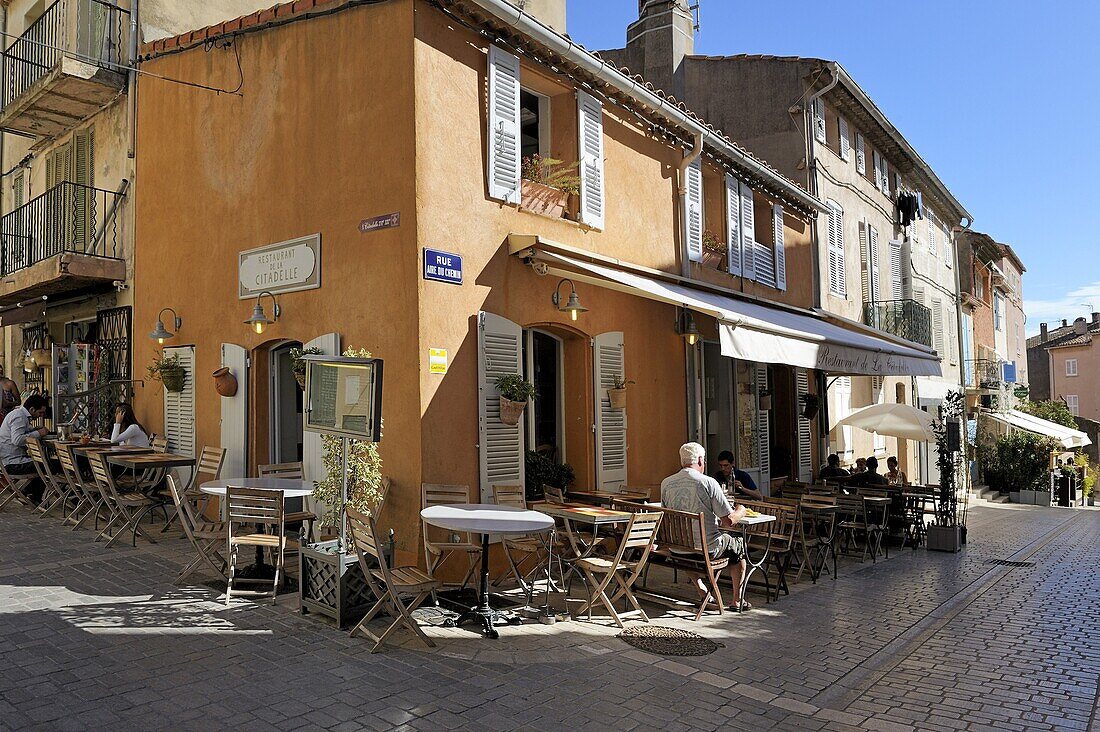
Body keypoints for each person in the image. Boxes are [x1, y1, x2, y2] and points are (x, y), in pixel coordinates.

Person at [662, 442, 752, 610]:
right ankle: (737, 600)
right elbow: (729, 522)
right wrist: (741, 510)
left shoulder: (666, 483)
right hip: (706, 550)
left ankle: (702, 590)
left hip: (678, 548)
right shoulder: (708, 482)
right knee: (738, 543)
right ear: (701, 460)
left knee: (687, 545)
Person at [0, 394, 50, 504]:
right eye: (40, 412)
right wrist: (38, 433)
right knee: (48, 464)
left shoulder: (19, 414)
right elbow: (17, 440)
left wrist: (33, 430)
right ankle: (34, 496)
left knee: (43, 462)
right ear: (32, 409)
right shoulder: (18, 416)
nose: (41, 416)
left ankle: (29, 492)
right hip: (13, 463)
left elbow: (20, 432)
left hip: (11, 460)